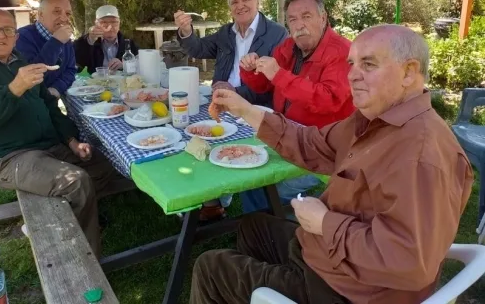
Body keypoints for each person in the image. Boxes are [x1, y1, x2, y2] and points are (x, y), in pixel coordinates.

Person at [190, 24, 474, 304]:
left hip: (350, 290)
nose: (352, 75)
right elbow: (312, 144)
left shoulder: (421, 155)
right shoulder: (374, 120)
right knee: (253, 226)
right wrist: (245, 110)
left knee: (210, 268)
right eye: (352, 64)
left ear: (409, 72)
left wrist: (326, 223)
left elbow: (410, 262)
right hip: (327, 256)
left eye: (368, 64)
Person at [0, 9, 122, 257]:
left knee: (105, 163)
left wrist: (71, 140)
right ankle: (83, 258)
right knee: (76, 181)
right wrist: (14, 89)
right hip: (7, 156)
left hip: (47, 146)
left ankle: (64, 216)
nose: (1, 35)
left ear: (16, 37)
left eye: (9, 30)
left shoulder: (19, 60)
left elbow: (49, 105)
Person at [238, 0, 355, 213]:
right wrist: (251, 69)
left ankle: (276, 229)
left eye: (306, 16)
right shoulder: (288, 47)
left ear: (323, 18)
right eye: (292, 19)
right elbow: (263, 85)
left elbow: (328, 99)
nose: (299, 25)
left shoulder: (342, 52)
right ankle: (263, 225)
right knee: (248, 173)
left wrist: (278, 75)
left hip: (325, 150)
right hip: (288, 136)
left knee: (261, 189)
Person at [174, 0, 288, 106]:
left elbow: (276, 82)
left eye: (245, 0)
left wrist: (235, 91)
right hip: (221, 103)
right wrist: (186, 30)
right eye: (234, 2)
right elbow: (197, 49)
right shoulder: (225, 33)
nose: (240, 6)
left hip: (256, 108)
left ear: (257, 1)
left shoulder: (277, 33)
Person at [16, 0, 76, 97]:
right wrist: (56, 42)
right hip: (29, 101)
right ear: (41, 14)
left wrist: (56, 88)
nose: (64, 18)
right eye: (57, 12)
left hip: (51, 99)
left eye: (68, 14)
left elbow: (70, 70)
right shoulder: (21, 37)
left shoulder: (65, 38)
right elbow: (32, 76)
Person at [74, 5, 139, 73]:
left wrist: (124, 65)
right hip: (96, 79)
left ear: (119, 24)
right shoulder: (89, 41)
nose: (109, 26)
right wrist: (90, 40)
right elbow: (77, 61)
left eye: (114, 22)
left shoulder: (129, 43)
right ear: (96, 24)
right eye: (104, 22)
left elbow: (140, 64)